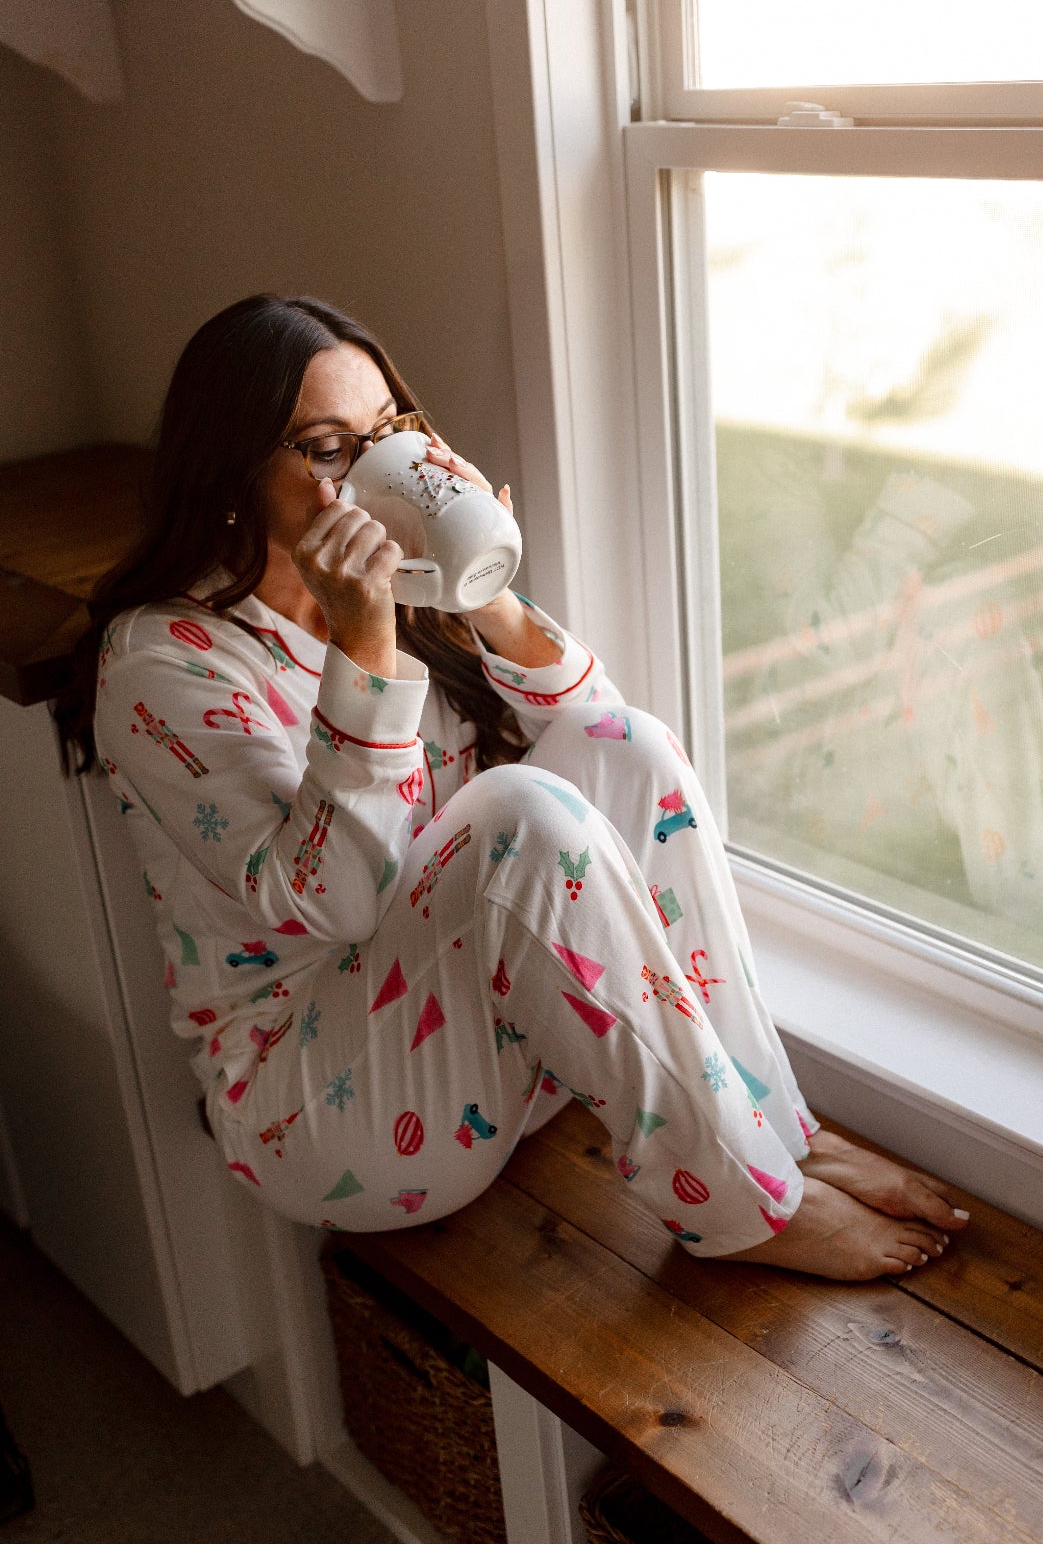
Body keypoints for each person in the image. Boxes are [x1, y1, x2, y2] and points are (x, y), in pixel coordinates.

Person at [56, 294, 967, 1280]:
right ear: (230, 470)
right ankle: (749, 1209)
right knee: (513, 812)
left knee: (629, 743)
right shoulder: (161, 665)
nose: (366, 473)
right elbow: (343, 905)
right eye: (327, 449)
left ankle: (775, 1133)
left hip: (489, 1051)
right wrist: (365, 644)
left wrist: (479, 591)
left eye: (384, 435)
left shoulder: (402, 582)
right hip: (322, 1111)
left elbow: (610, 750)